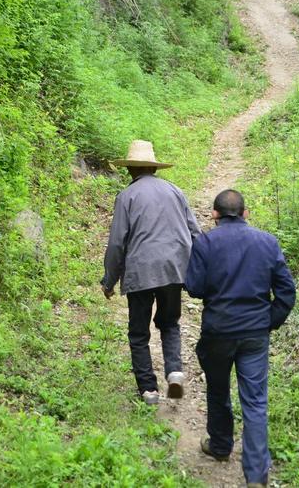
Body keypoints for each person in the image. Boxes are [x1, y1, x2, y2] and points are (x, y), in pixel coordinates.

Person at [185, 189, 296, 488]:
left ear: (214, 215)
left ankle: (221, 446)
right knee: (256, 401)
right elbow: (287, 292)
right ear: (246, 213)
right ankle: (257, 476)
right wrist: (267, 322)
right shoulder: (267, 242)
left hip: (218, 331)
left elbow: (193, 287)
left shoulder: (205, 242)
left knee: (218, 389)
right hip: (254, 334)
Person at [101, 139, 201, 405]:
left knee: (138, 333)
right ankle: (175, 372)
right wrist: (196, 271)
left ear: (130, 170)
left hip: (140, 271)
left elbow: (117, 243)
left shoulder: (126, 197)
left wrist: (109, 280)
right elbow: (196, 233)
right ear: (154, 168)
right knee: (170, 324)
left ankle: (149, 390)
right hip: (173, 270)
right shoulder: (176, 191)